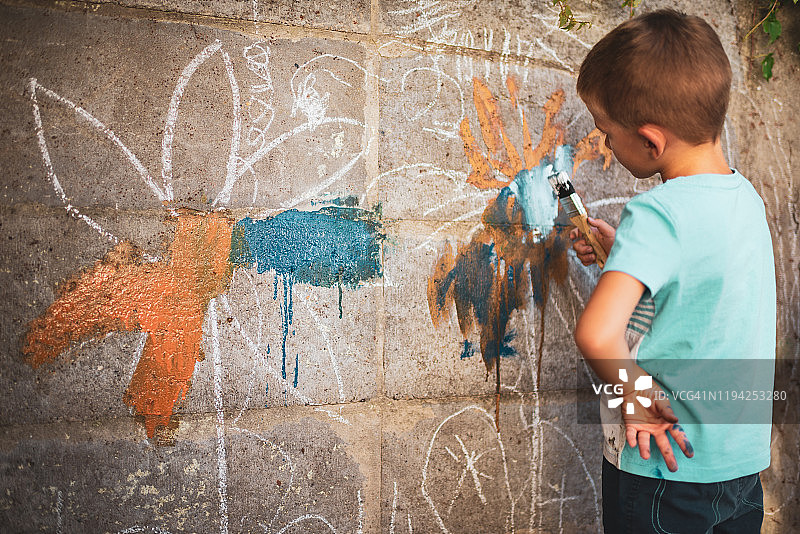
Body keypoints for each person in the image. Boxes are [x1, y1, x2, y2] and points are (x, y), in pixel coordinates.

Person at [570, 9, 776, 533]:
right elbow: (701, 295)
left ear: (651, 141)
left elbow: (596, 333)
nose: (607, 148)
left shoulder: (657, 212)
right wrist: (627, 257)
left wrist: (636, 400)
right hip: (739, 470)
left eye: (607, 134)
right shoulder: (747, 199)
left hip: (663, 464)